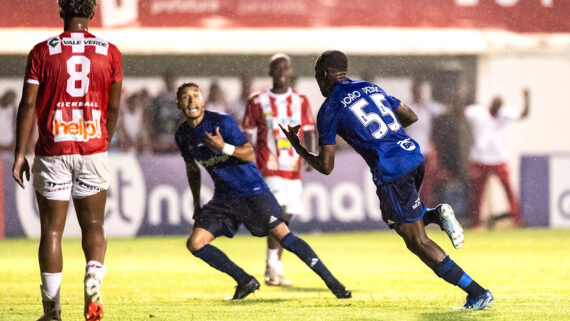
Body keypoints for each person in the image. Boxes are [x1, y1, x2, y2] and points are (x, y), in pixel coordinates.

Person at [281, 50, 493, 310]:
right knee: (397, 220)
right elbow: (411, 116)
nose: (317, 81)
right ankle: (434, 215)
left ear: (324, 74)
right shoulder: (370, 87)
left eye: (317, 75)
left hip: (391, 170)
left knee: (417, 241)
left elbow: (325, 166)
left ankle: (477, 292)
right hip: (412, 156)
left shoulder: (329, 108)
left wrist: (298, 147)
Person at [174, 82, 350, 300]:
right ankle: (245, 281)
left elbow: (249, 154)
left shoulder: (221, 122)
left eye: (195, 95)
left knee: (284, 237)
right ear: (178, 103)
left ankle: (334, 285)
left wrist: (223, 147)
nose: (192, 101)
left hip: (252, 190)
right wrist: (196, 202)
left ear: (202, 100)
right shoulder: (182, 135)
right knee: (195, 243)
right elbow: (192, 168)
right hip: (224, 197)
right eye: (186, 97)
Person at [11, 0, 122, 320]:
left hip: (53, 152)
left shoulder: (42, 52)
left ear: (61, 10)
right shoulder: (110, 51)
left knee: (52, 232)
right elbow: (113, 109)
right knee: (94, 224)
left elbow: (28, 104)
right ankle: (93, 277)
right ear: (93, 11)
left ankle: (52, 310)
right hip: (92, 149)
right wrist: (103, 141)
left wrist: (20, 153)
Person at [242, 53, 316, 286]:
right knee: (279, 212)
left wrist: (311, 156)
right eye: (277, 68)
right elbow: (248, 135)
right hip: (268, 165)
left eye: (286, 68)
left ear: (291, 71)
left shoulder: (301, 100)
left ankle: (273, 267)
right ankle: (273, 268)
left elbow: (310, 130)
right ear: (271, 72)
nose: (282, 72)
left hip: (293, 167)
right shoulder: (257, 101)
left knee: (287, 217)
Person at [465, 90, 529, 228]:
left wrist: (526, 98)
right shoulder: (478, 113)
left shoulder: (503, 114)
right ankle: (476, 223)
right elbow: (460, 112)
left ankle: (517, 219)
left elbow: (523, 114)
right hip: (480, 158)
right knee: (477, 193)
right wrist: (460, 97)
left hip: (499, 158)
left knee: (508, 190)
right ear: (491, 106)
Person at [406, 78, 444, 207]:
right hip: (412, 152)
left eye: (419, 90)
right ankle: (410, 212)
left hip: (426, 151)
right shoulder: (407, 107)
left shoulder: (428, 107)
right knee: (411, 184)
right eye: (415, 90)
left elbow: (447, 109)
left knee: (427, 185)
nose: (418, 93)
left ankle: (424, 212)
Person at [149, 69, 182, 153]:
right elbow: (151, 119)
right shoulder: (158, 100)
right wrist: (156, 136)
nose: (170, 82)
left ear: (175, 81)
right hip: (162, 138)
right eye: (168, 79)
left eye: (172, 79)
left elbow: (185, 119)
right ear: (164, 81)